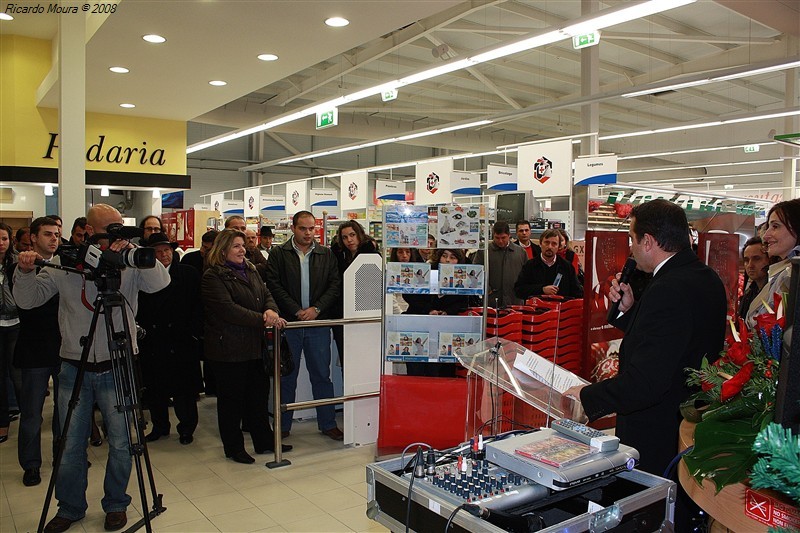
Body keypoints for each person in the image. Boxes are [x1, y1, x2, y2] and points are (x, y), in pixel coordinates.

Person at [13, 204, 170, 533]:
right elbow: (28, 300)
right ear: (86, 231)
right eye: (109, 228)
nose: (115, 234)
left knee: (122, 440)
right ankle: (69, 507)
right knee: (70, 443)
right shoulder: (65, 262)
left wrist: (132, 250)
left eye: (119, 227)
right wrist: (25, 271)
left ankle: (116, 503)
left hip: (118, 362)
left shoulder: (128, 260)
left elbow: (159, 283)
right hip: (75, 364)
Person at [564, 199, 727, 480]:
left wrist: (585, 395)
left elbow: (645, 383)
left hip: (658, 432)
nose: (630, 248)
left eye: (632, 239)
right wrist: (629, 312)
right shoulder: (704, 277)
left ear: (648, 241)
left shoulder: (669, 288)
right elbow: (674, 341)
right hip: (687, 422)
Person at [201, 229, 289, 464]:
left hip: (254, 346)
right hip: (228, 349)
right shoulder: (213, 276)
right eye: (236, 246)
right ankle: (234, 447)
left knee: (258, 397)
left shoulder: (250, 269)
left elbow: (266, 293)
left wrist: (271, 310)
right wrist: (264, 319)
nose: (242, 250)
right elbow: (228, 310)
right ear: (223, 250)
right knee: (231, 402)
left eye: (243, 245)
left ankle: (264, 441)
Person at [264, 210, 344, 441]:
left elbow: (334, 285)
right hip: (289, 324)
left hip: (318, 325)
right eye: (303, 228)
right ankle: (283, 425)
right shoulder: (279, 253)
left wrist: (316, 309)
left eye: (312, 229)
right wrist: (295, 310)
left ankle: (327, 423)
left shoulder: (325, 254)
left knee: (321, 375)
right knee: (287, 375)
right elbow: (273, 284)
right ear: (293, 228)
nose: (308, 233)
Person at [9, 218, 62, 487]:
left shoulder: (65, 265)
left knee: (64, 411)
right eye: (47, 234)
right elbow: (24, 303)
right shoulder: (19, 267)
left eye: (57, 234)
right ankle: (31, 465)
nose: (54, 239)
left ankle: (62, 457)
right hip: (32, 349)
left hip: (63, 349)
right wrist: (25, 270)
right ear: (32, 237)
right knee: (31, 415)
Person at [137, 233, 203, 445]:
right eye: (158, 251)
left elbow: (198, 305)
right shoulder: (142, 275)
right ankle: (160, 426)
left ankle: (187, 428)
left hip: (182, 339)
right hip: (154, 339)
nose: (164, 254)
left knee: (185, 390)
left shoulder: (188, 273)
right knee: (156, 387)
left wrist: (194, 332)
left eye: (167, 250)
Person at [404, 249, 471, 377]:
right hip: (420, 326)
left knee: (442, 372)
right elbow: (410, 296)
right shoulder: (427, 272)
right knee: (417, 372)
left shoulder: (463, 278)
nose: (447, 260)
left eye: (452, 257)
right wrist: (429, 310)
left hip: (445, 331)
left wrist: (447, 312)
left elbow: (463, 301)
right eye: (444, 256)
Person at [330, 221, 379, 367]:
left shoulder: (371, 255)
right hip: (342, 315)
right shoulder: (338, 257)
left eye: (352, 235)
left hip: (365, 316)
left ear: (359, 235)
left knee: (365, 362)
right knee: (347, 361)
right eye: (345, 237)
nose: (349, 240)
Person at [746, 199, 800, 328]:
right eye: (768, 227)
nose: (766, 236)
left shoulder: (791, 274)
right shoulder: (785, 271)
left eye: (775, 226)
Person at [514, 229, 583, 300]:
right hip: (536, 309)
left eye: (554, 244)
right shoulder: (530, 265)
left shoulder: (566, 267)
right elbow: (519, 290)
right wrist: (542, 289)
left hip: (561, 309)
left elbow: (577, 292)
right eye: (546, 243)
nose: (550, 247)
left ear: (559, 246)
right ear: (540, 244)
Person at [473, 220, 527, 308]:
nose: (500, 241)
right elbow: (475, 272)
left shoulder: (520, 252)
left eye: (503, 238)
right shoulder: (484, 252)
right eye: (497, 238)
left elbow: (526, 275)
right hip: (491, 302)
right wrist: (487, 288)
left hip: (515, 301)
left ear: (509, 235)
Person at [0, 222, 19, 445]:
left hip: (15, 324)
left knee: (18, 376)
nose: (1, 243)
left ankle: (25, 414)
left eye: (4, 238)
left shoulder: (16, 263)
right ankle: (2, 421)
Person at [738, 236, 769, 321]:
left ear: (769, 259)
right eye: (746, 260)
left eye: (756, 259)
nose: (750, 265)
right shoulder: (749, 293)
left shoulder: (775, 290)